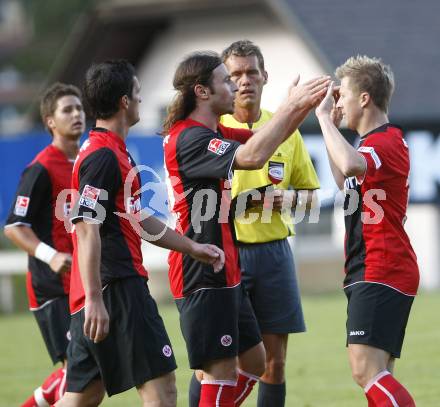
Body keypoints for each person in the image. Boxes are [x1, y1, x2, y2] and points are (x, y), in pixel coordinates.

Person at [163, 50, 329, 406]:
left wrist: (300, 105)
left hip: (226, 265)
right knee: (217, 372)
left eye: (245, 75)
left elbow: (263, 140)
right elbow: (253, 156)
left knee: (255, 363)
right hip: (201, 269)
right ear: (202, 91)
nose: (236, 85)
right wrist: (292, 107)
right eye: (227, 78)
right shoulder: (190, 138)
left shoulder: (215, 130)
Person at [55, 60, 225, 407]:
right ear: (124, 102)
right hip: (115, 290)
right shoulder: (103, 157)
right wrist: (95, 299)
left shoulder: (109, 151)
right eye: (138, 93)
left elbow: (137, 219)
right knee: (162, 392)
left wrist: (191, 247)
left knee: (82, 397)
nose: (141, 100)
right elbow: (86, 228)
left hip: (98, 292)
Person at [220, 40, 319, 407]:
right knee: (219, 363)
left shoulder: (286, 131)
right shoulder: (213, 130)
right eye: (236, 74)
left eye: (251, 72)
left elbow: (312, 198)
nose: (244, 81)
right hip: (229, 253)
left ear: (265, 76)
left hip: (275, 255)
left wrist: (288, 199)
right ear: (225, 82)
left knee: (274, 364)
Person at [315, 55, 418, 406]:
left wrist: (321, 120)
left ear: (364, 98)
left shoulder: (383, 141)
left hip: (381, 266)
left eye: (341, 94)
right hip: (376, 266)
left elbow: (351, 164)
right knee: (378, 372)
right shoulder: (375, 143)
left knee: (366, 370)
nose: (337, 103)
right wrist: (331, 124)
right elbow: (346, 179)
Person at [4, 83, 85, 407]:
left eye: (79, 108)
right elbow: (14, 226)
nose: (77, 114)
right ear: (50, 121)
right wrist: (50, 256)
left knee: (86, 372)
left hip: (79, 285)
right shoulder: (41, 168)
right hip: (52, 287)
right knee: (79, 374)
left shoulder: (84, 161)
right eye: (67, 110)